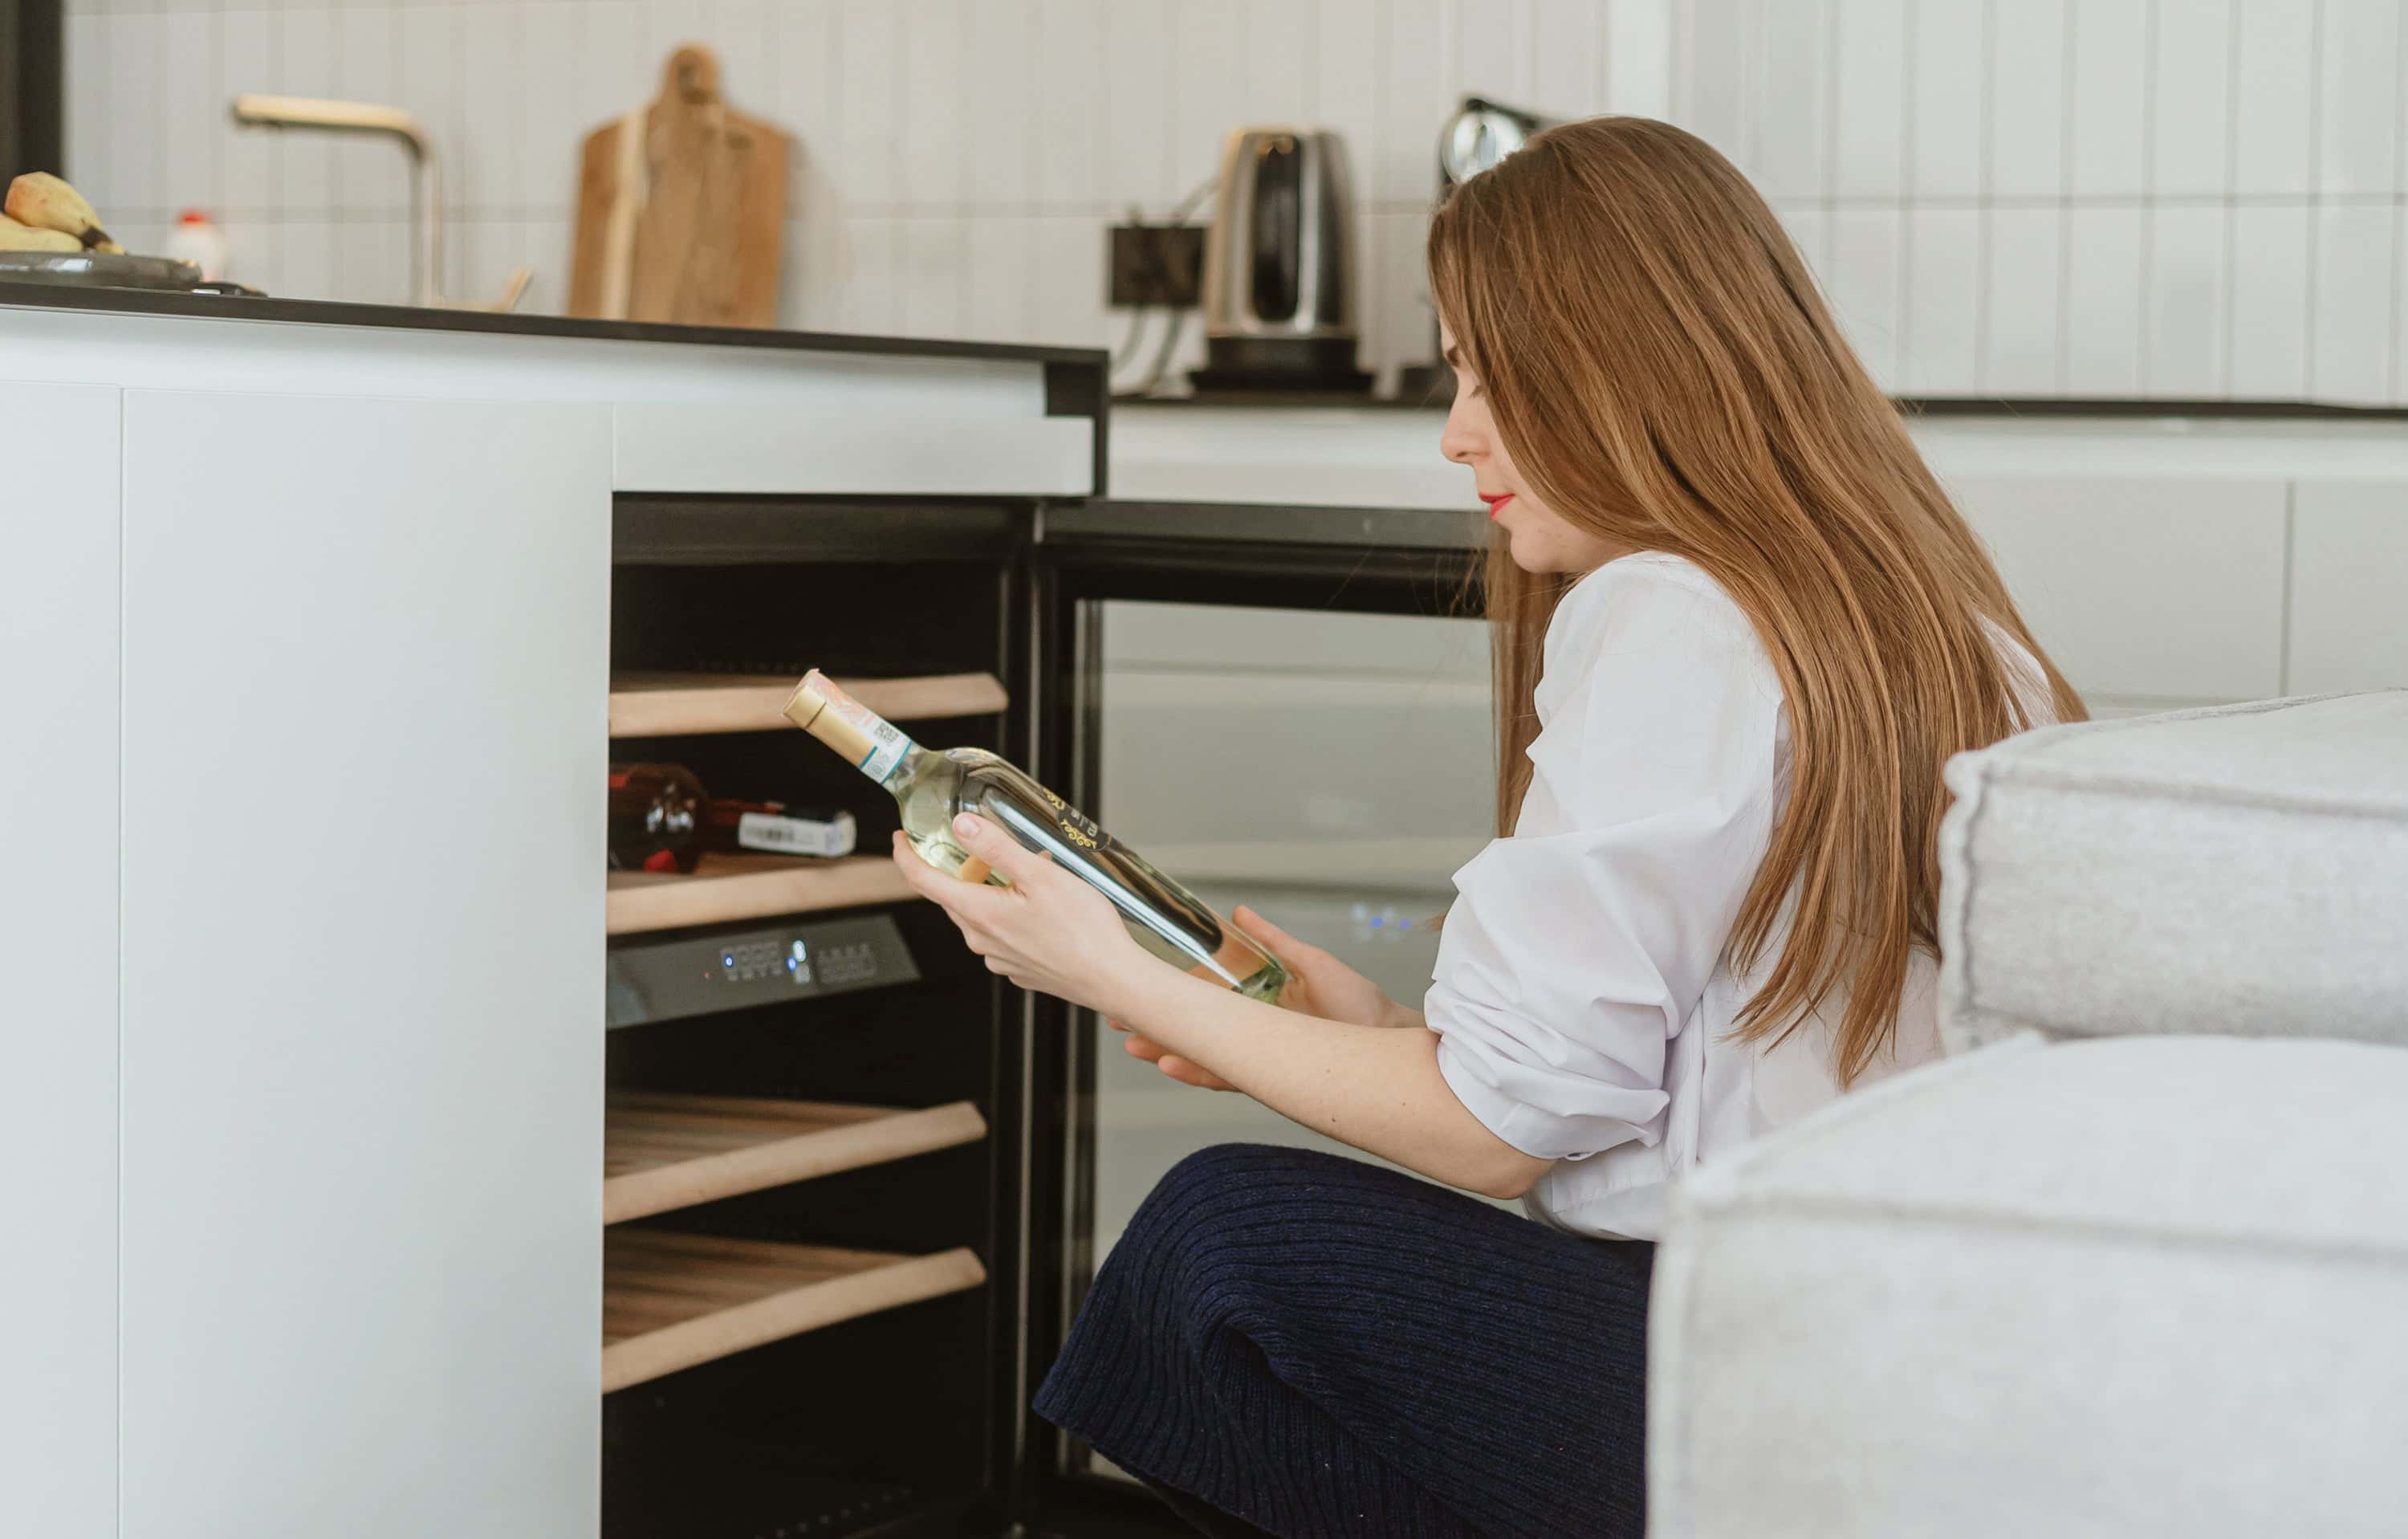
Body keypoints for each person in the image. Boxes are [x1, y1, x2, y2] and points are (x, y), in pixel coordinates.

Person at [893, 116, 2084, 1539]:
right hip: (1913, 1356)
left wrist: (1115, 973)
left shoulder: (1672, 610)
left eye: (1485, 374)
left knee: (1218, 1250)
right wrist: (1364, 1022)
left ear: (1617, 371)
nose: (1457, 430)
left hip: (1758, 1363)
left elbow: (1496, 1138)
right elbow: (1624, 1096)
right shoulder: (1941, 627)